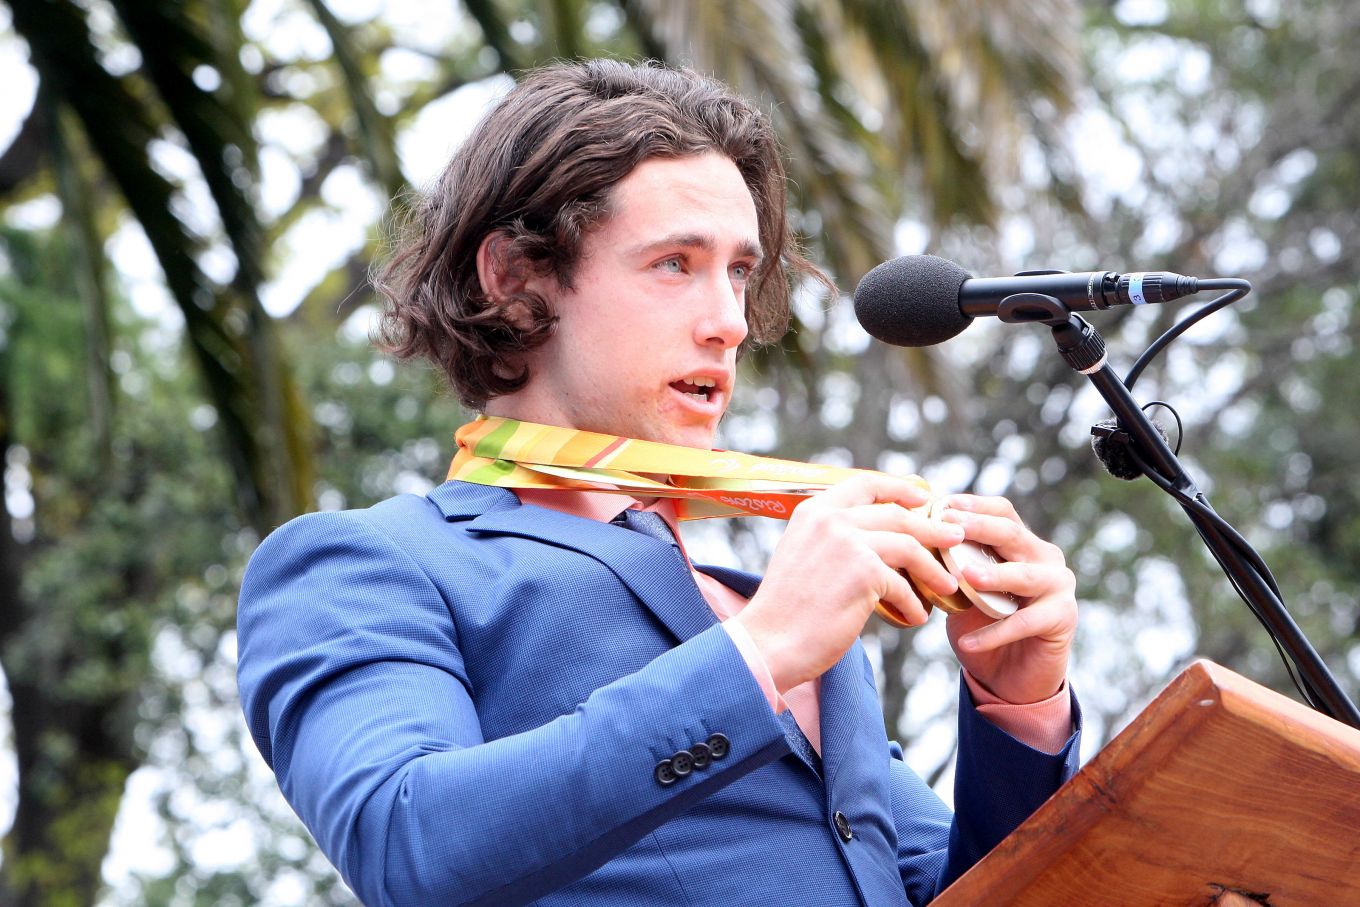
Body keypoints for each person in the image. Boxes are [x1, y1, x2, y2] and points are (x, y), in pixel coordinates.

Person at [237, 59, 1081, 907]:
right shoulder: (372, 561)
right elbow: (403, 842)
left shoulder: (774, 612)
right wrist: (761, 653)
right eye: (675, 263)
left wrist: (1020, 708)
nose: (729, 322)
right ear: (516, 279)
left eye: (739, 271)